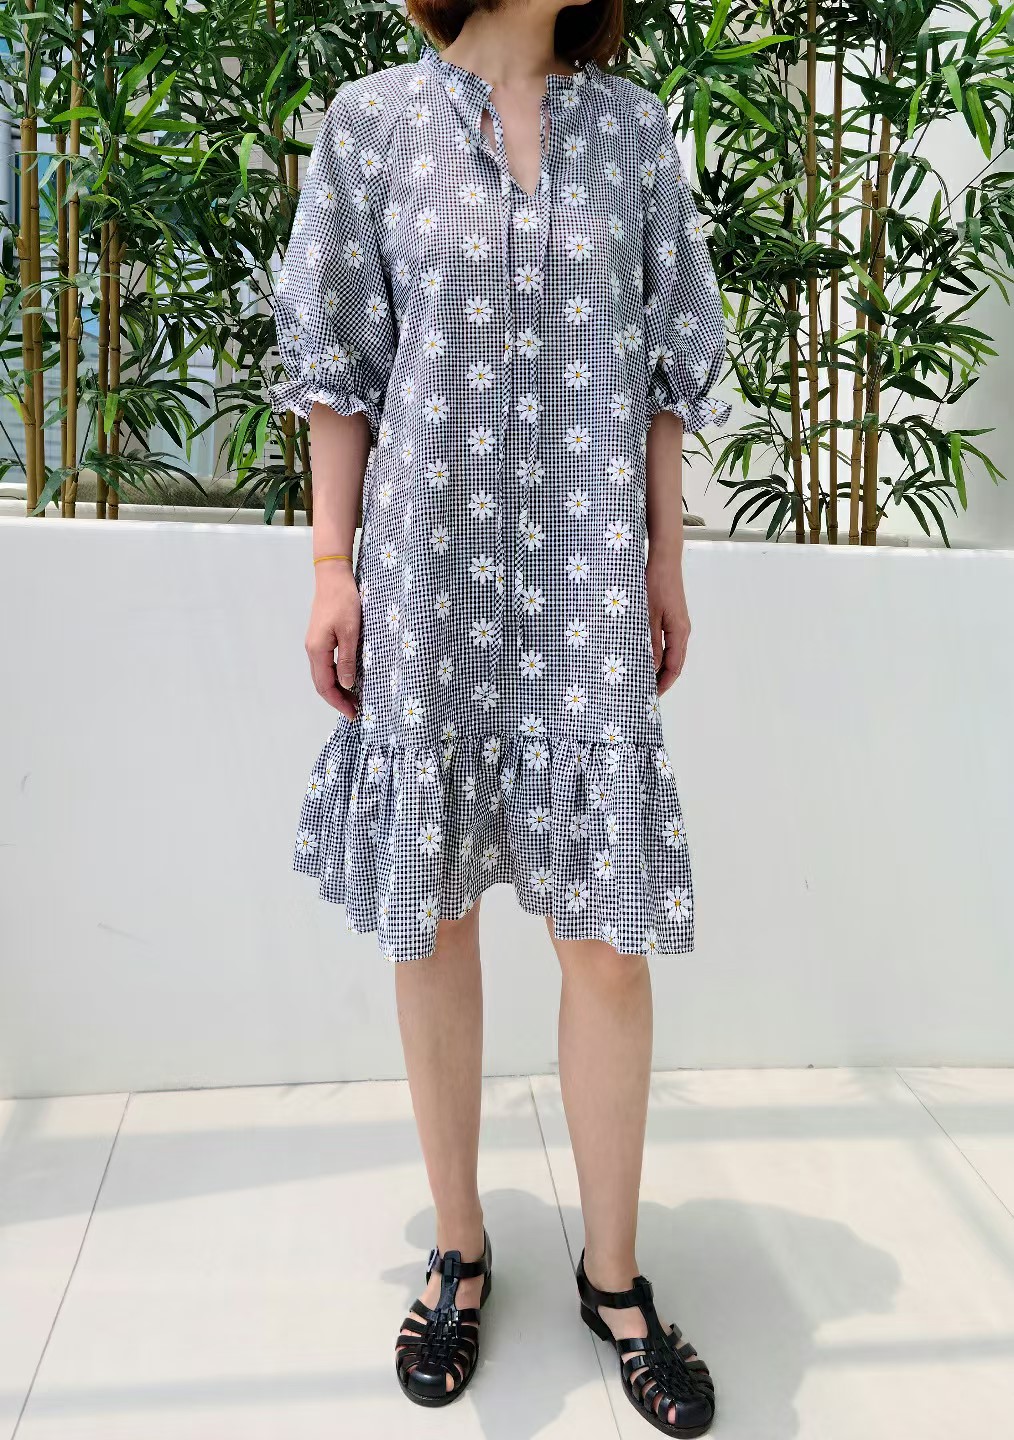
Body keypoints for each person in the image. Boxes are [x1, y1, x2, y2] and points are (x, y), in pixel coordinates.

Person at [268, 0, 729, 1429]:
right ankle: (459, 1250)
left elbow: (665, 372)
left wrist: (665, 559)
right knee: (439, 918)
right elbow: (341, 369)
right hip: (426, 579)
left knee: (605, 941)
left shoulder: (634, 134)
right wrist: (331, 568)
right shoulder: (372, 125)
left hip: (587, 579)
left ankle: (613, 1275)